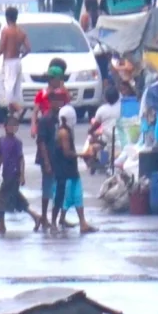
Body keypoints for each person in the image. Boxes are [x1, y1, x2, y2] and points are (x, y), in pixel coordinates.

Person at [50, 68, 93, 234]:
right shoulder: (63, 133)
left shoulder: (65, 129)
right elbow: (67, 153)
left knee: (76, 195)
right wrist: (83, 155)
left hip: (70, 171)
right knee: (61, 197)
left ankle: (82, 222)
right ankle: (55, 221)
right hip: (64, 171)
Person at [0, 116, 35, 233]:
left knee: (1, 197)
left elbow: (21, 159)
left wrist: (22, 175)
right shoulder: (1, 141)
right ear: (5, 127)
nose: (11, 128)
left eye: (14, 126)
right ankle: (36, 217)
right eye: (9, 125)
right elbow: (0, 157)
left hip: (14, 174)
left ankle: (1, 224)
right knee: (16, 198)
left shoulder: (17, 142)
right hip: (6, 173)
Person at [0, 6, 31, 117]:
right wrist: (21, 55)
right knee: (15, 91)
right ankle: (12, 116)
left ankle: (20, 110)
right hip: (18, 62)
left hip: (9, 63)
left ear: (7, 17)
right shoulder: (21, 32)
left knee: (7, 93)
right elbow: (28, 49)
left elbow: (1, 50)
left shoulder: (6, 31)